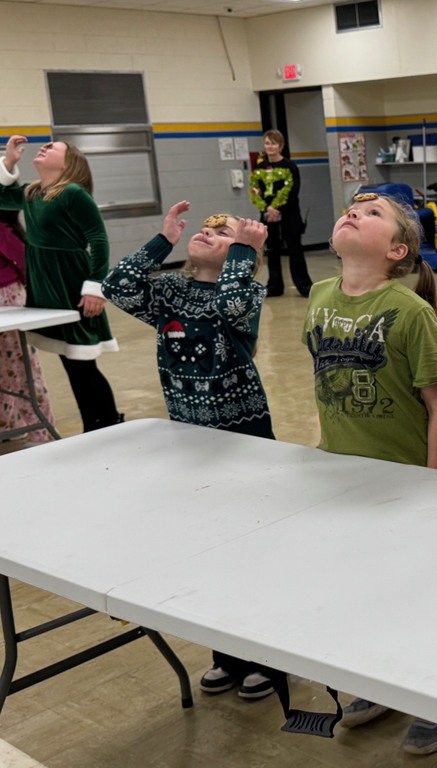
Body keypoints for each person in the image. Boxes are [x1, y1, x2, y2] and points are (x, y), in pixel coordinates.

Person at [103, 201, 277, 701]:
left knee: (252, 551)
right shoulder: (168, 292)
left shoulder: (245, 287)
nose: (206, 232)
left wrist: (244, 251)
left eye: (221, 234)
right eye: (204, 228)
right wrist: (163, 241)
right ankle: (225, 653)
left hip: (243, 442)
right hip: (191, 442)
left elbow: (231, 307)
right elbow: (116, 286)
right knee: (210, 549)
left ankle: (268, 658)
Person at [302, 192, 437, 755]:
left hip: (402, 481)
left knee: (416, 592)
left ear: (396, 249)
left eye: (372, 213)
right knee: (361, 588)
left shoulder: (409, 310)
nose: (353, 212)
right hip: (341, 479)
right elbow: (323, 379)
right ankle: (381, 681)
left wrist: (434, 484)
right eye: (352, 208)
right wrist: (325, 448)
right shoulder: (318, 296)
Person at [0, 135, 121, 433]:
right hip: (46, 284)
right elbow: (1, 198)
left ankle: (106, 422)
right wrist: (9, 163)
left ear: (69, 164)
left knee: (83, 362)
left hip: (70, 281)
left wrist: (95, 287)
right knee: (71, 361)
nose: (44, 147)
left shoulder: (74, 193)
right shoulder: (32, 192)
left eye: (52, 148)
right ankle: (93, 424)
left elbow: (98, 239)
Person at [0, 209, 55, 443]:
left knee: (22, 368)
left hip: (6, 297)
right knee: (5, 368)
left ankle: (40, 431)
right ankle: (8, 424)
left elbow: (23, 258)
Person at [249, 129, 312, 297]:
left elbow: (293, 191)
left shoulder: (290, 166)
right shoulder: (260, 167)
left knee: (295, 250)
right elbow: (256, 191)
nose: (270, 147)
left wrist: (278, 209)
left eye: (274, 143)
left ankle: (304, 285)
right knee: (272, 250)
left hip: (289, 214)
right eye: (267, 143)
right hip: (268, 216)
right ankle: (275, 286)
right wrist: (267, 209)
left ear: (281, 146)